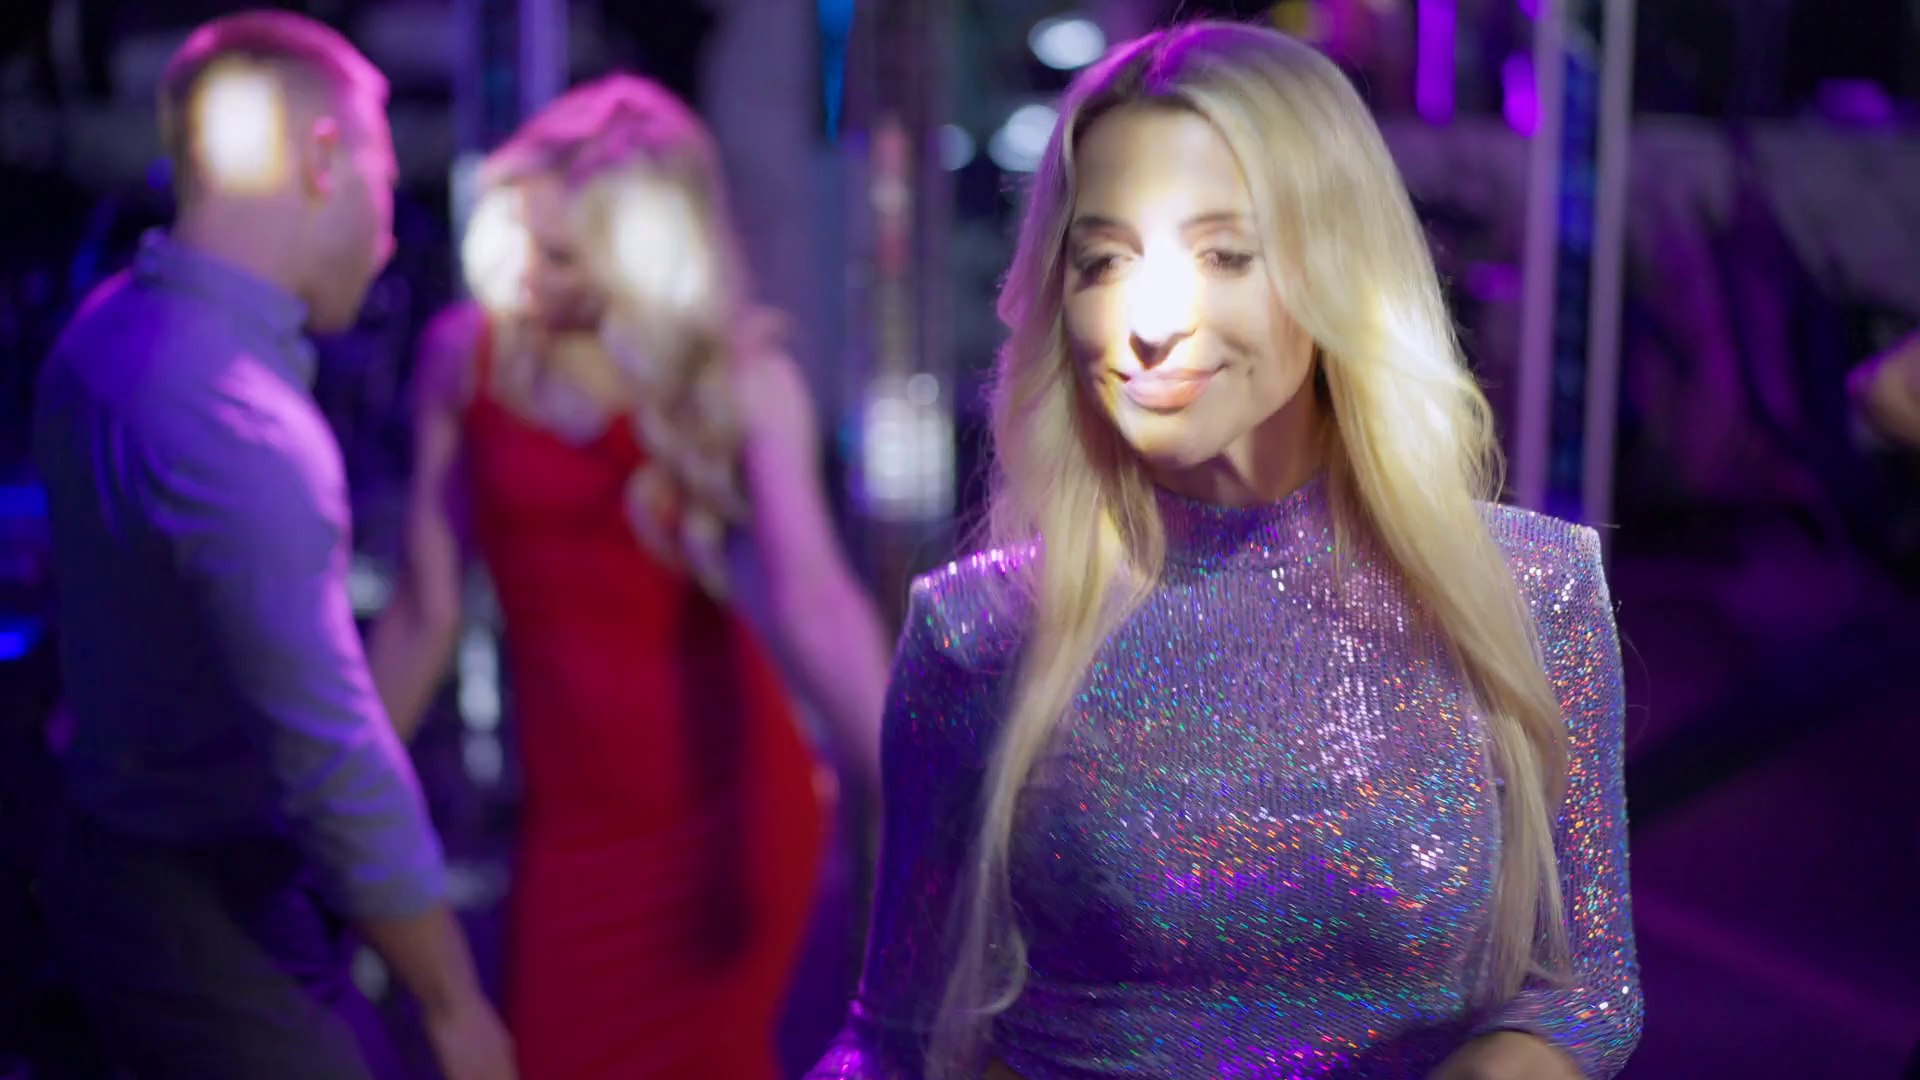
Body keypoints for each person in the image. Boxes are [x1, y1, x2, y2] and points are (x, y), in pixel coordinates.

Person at [809, 21, 1641, 1080]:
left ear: (1334, 267)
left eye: (1221, 256)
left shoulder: (1531, 592)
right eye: (1104, 260)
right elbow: (893, 1038)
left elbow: (1586, 991)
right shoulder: (979, 632)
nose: (1149, 324)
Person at [364, 74, 891, 1079]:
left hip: (726, 816)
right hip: (568, 828)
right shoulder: (466, 359)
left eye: (561, 255)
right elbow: (424, 610)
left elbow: (815, 599)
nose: (527, 272)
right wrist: (331, 789)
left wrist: (931, 791)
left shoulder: (738, 377)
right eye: (519, 237)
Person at [30, 12, 514, 1080]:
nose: (389, 235)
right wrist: (453, 1006)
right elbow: (328, 757)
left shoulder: (98, 335)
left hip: (103, 865)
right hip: (199, 902)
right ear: (324, 160)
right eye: (385, 181)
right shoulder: (237, 422)